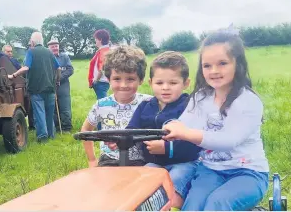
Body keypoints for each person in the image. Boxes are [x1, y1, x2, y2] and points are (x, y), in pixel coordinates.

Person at [162, 30, 269, 210]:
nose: (214, 71)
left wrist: (186, 133)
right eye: (207, 65)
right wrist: (169, 128)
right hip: (210, 170)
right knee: (193, 205)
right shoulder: (201, 97)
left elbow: (229, 140)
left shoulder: (247, 101)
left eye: (222, 63)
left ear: (238, 64)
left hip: (248, 173)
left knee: (217, 203)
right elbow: (182, 123)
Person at [113, 51, 201, 210]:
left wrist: (167, 148)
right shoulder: (145, 106)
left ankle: (178, 204)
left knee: (172, 185)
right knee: (143, 187)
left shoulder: (190, 107)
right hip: (153, 163)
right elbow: (131, 130)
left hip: (184, 163)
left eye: (173, 83)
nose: (165, 88)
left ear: (185, 83)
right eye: (159, 83)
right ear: (151, 82)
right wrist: (119, 139)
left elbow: (195, 142)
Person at [81, 45, 153, 167]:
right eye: (117, 79)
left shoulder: (148, 103)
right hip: (109, 160)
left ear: (140, 80)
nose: (123, 85)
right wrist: (92, 160)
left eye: (130, 79)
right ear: (109, 79)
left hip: (141, 161)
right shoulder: (101, 105)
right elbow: (86, 131)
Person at [9, 32, 61, 143]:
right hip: (50, 89)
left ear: (32, 42)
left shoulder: (31, 52)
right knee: (49, 113)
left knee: (40, 113)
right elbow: (58, 68)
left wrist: (13, 75)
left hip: (36, 89)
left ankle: (43, 137)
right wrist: (57, 81)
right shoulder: (49, 52)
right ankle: (51, 135)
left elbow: (26, 68)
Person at [47, 38, 74, 132]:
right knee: (54, 107)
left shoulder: (64, 57)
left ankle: (67, 127)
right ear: (49, 48)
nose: (55, 48)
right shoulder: (47, 59)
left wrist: (60, 78)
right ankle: (57, 127)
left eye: (56, 46)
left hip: (63, 85)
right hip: (51, 85)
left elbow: (70, 70)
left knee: (65, 106)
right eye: (52, 46)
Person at [88, 29, 111, 100]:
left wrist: (95, 80)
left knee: (102, 104)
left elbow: (101, 69)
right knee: (102, 103)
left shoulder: (103, 52)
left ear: (100, 40)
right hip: (103, 82)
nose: (95, 40)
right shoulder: (105, 50)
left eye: (96, 39)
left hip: (101, 82)